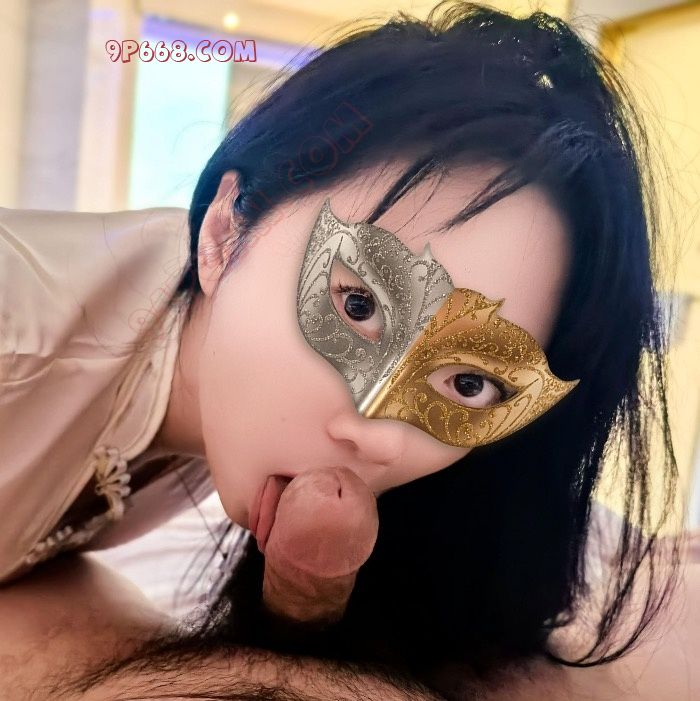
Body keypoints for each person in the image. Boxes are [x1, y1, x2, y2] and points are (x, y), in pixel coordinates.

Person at [0, 1, 683, 697]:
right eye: (359, 306)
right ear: (223, 233)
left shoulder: (235, 406)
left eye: (468, 383)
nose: (378, 434)